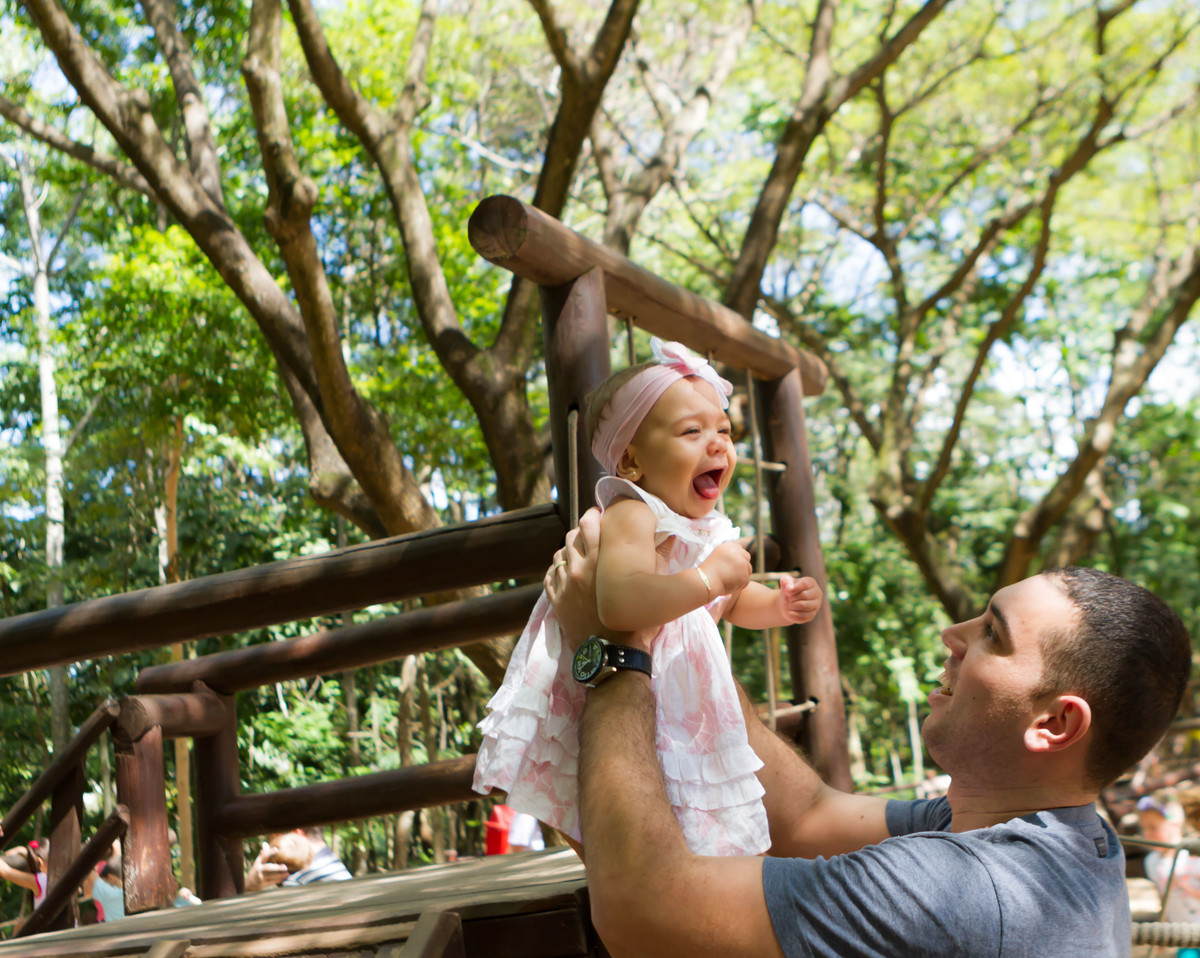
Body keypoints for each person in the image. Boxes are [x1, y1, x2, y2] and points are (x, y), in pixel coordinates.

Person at [545, 513, 1192, 957]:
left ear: (1056, 724)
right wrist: (685, 632)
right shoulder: (1057, 834)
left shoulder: (962, 891)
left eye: (992, 634)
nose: (954, 634)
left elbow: (640, 908)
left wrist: (610, 653)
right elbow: (808, 814)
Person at [473, 338, 822, 856]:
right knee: (620, 820)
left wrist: (775, 604)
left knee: (677, 815)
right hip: (615, 692)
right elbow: (621, 604)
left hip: (672, 695)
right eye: (692, 431)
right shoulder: (632, 514)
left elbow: (725, 602)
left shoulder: (704, 530)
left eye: (723, 431)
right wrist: (709, 577)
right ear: (632, 461)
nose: (718, 444)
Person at [1138, 794, 1200, 956]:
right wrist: (1162, 928)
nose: (1147, 833)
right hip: (1184, 934)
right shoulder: (1152, 861)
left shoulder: (1193, 855)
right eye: (1144, 828)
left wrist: (1186, 886)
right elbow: (1164, 898)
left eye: (1153, 827)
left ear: (1175, 824)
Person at [244, 826, 351, 891]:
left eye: (272, 836)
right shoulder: (331, 862)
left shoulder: (295, 881)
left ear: (296, 834)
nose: (271, 842)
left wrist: (251, 885)